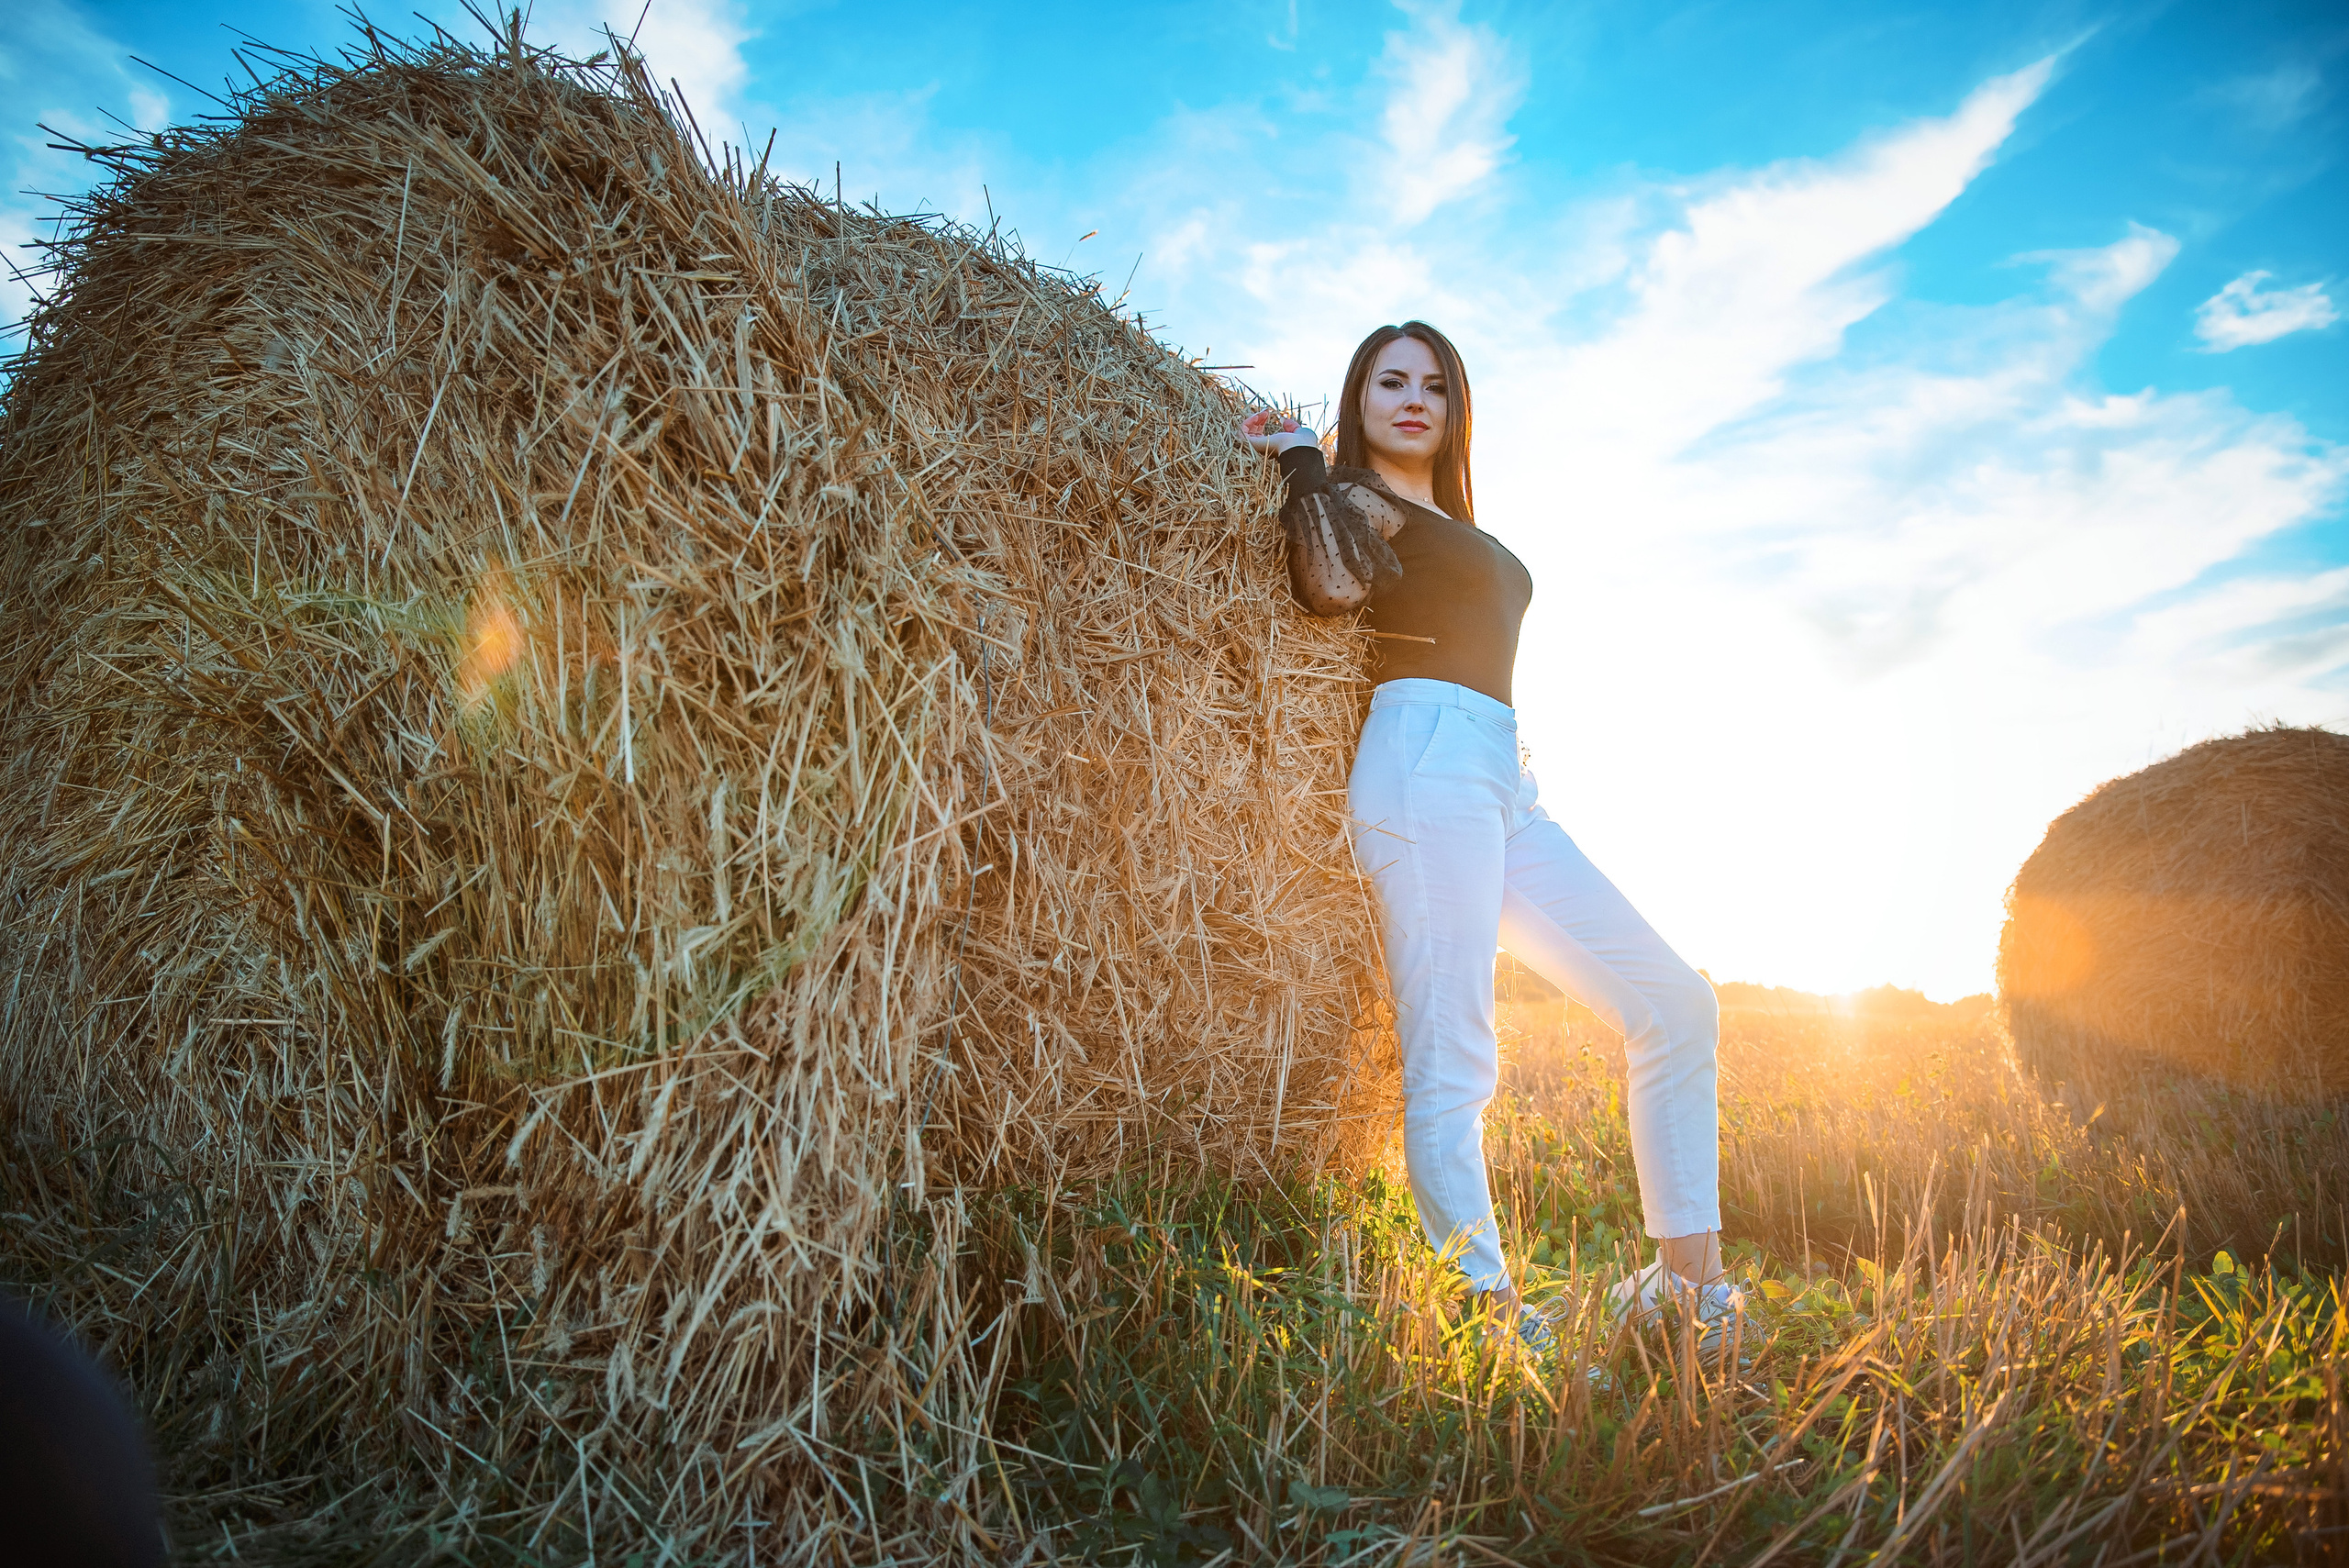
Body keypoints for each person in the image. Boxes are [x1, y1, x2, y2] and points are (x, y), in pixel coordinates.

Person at [1241, 321, 1742, 1351]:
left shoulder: (1457, 521)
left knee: (1674, 1003)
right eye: (1389, 382)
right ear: (1358, 398)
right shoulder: (1359, 501)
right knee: (1457, 1054)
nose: (1412, 398)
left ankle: (1692, 1291)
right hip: (1422, 758)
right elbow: (1327, 587)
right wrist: (1301, 459)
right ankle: (1485, 1314)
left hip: (1500, 774)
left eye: (1433, 383)